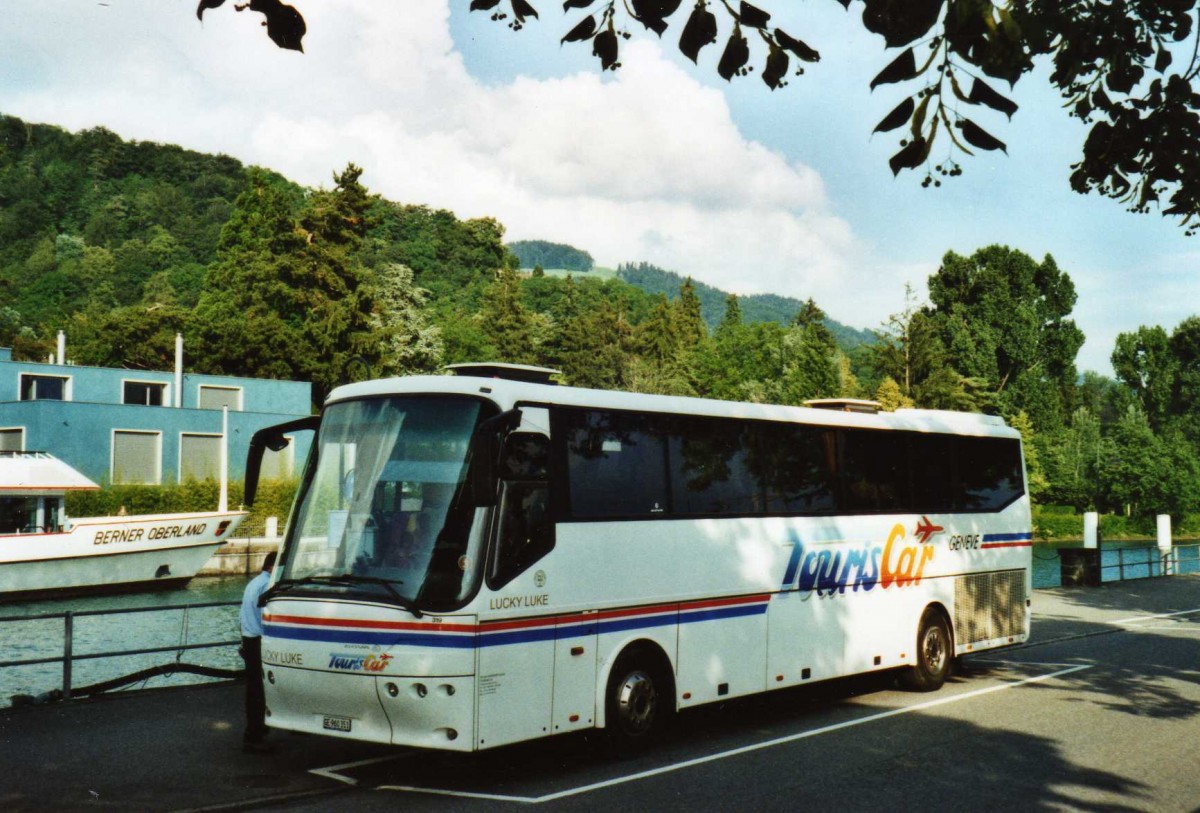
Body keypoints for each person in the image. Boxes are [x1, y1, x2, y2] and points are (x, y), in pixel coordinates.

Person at [239, 550, 276, 753]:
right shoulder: (266, 585)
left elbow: (243, 614)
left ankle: (256, 731)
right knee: (260, 690)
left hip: (248, 638)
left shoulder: (253, 583)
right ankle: (255, 734)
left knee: (253, 688)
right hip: (259, 640)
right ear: (272, 567)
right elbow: (267, 617)